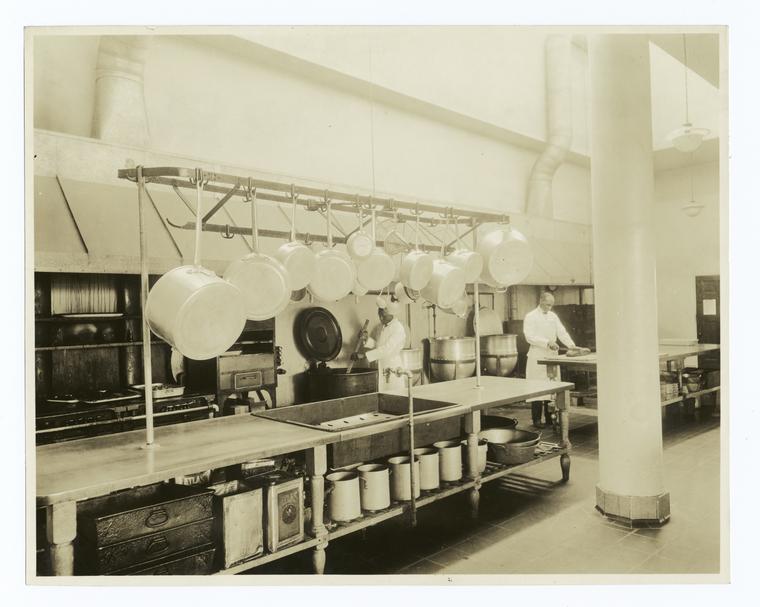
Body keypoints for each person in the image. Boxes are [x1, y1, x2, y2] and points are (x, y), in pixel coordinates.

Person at [523, 291, 576, 428]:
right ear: (540, 301)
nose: (549, 308)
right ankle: (536, 420)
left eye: (551, 305)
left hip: (551, 355)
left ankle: (549, 418)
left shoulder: (553, 316)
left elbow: (562, 332)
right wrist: (547, 342)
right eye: (547, 305)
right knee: (536, 389)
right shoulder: (531, 316)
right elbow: (529, 336)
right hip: (537, 355)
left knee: (551, 388)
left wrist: (572, 345)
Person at [351, 298, 407, 390]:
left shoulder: (398, 328)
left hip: (392, 367)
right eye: (379, 315)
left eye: (383, 316)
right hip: (382, 366)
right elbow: (378, 345)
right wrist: (366, 338)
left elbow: (386, 349)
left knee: (393, 395)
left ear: (391, 314)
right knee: (383, 394)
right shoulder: (383, 327)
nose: (381, 318)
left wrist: (363, 355)